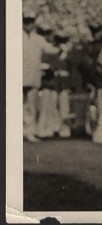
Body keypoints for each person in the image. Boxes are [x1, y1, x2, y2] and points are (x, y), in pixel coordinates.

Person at [22, 11, 59, 142]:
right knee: (17, 105)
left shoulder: (38, 39)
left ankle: (29, 131)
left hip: (33, 77)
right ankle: (17, 131)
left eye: (30, 22)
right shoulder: (16, 36)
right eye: (26, 21)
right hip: (18, 76)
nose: (28, 24)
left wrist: (60, 47)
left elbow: (50, 49)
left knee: (31, 106)